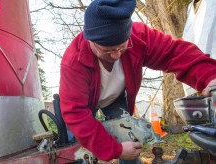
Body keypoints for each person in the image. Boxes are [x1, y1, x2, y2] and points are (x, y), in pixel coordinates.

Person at [59, 0, 216, 162]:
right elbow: (75, 113)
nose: (115, 56)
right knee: (76, 149)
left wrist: (210, 77)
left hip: (115, 99)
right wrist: (115, 149)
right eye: (107, 51)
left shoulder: (138, 36)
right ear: (89, 39)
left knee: (129, 138)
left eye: (122, 47)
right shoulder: (73, 62)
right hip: (83, 104)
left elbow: (174, 53)